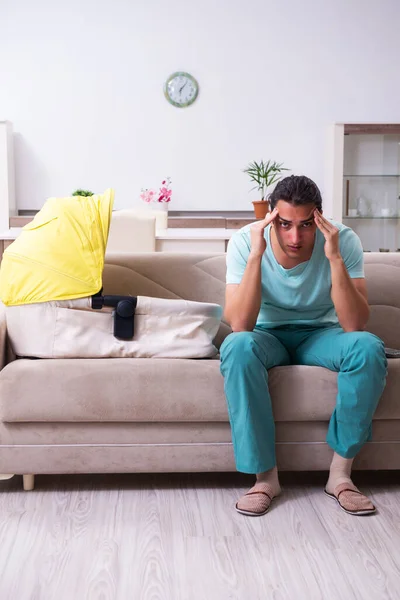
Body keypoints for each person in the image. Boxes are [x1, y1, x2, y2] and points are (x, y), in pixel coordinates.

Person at [220, 175, 387, 517]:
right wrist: (256, 255)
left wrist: (335, 258)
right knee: (237, 346)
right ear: (271, 218)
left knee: (368, 347)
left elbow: (354, 324)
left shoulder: (344, 240)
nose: (295, 237)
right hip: (265, 335)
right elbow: (240, 325)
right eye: (284, 224)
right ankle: (265, 478)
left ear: (320, 218)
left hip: (321, 335)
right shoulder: (243, 241)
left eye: (306, 225)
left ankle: (340, 476)